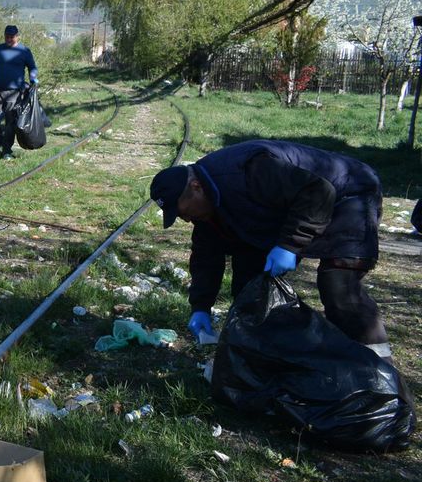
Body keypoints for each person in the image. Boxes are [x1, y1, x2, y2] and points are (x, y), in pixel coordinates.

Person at [149, 139, 390, 357]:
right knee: (250, 290)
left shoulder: (249, 170)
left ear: (195, 187)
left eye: (182, 211)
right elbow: (206, 257)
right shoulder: (206, 208)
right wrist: (200, 306)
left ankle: (378, 369)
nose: (185, 219)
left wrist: (289, 245)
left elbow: (318, 192)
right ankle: (269, 357)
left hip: (349, 194)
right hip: (298, 204)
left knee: (339, 286)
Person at [0, 25, 40, 159]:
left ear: (17, 36)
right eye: (7, 36)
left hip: (15, 92)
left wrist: (33, 77)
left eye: (11, 37)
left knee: (10, 122)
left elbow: (32, 67)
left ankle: (7, 150)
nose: (9, 39)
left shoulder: (24, 51)